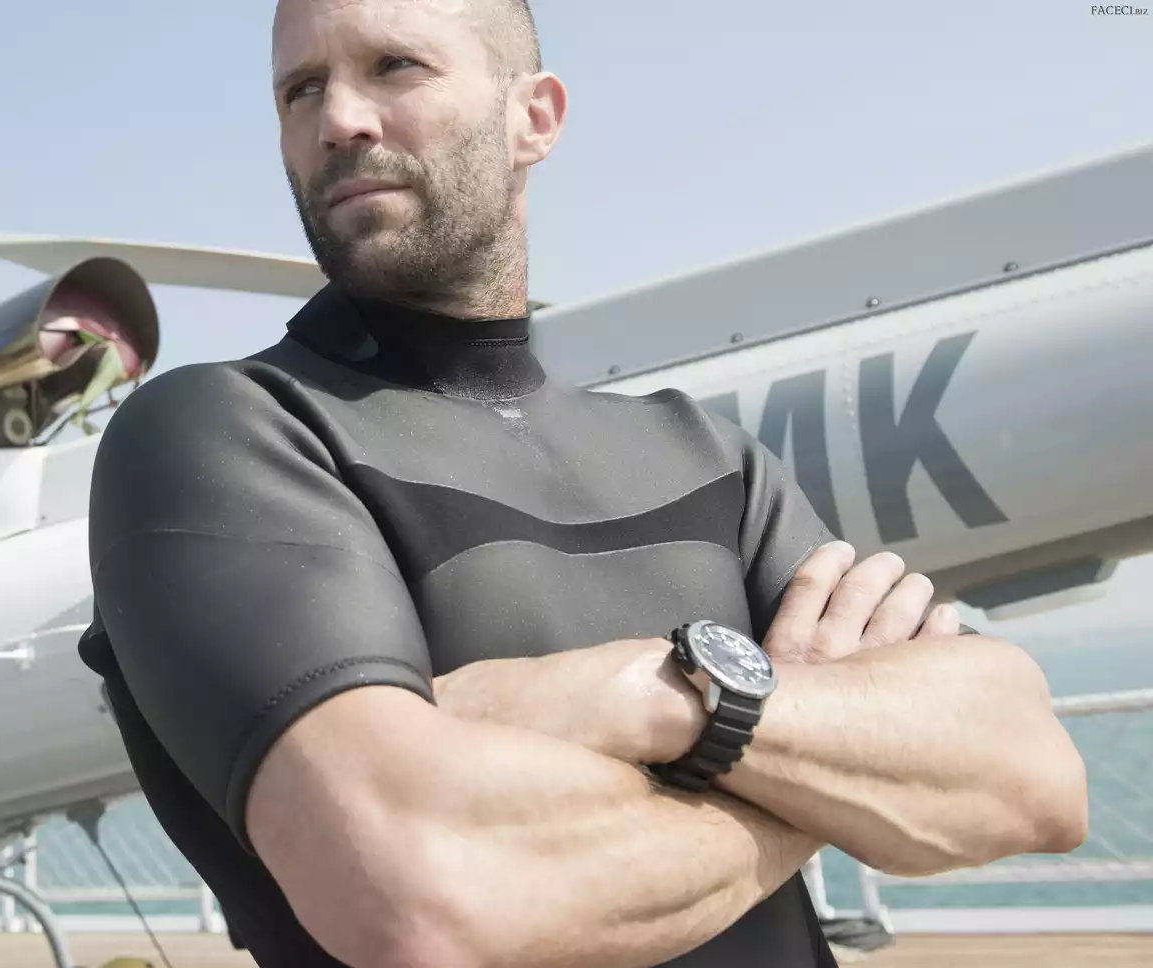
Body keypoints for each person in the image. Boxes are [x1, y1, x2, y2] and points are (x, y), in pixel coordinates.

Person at [75, 0, 1090, 964]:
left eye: (395, 65)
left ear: (535, 117)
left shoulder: (707, 455)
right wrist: (823, 779)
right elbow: (418, 893)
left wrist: (655, 700)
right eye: (300, 89)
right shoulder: (225, 433)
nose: (338, 117)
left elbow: (1031, 775)